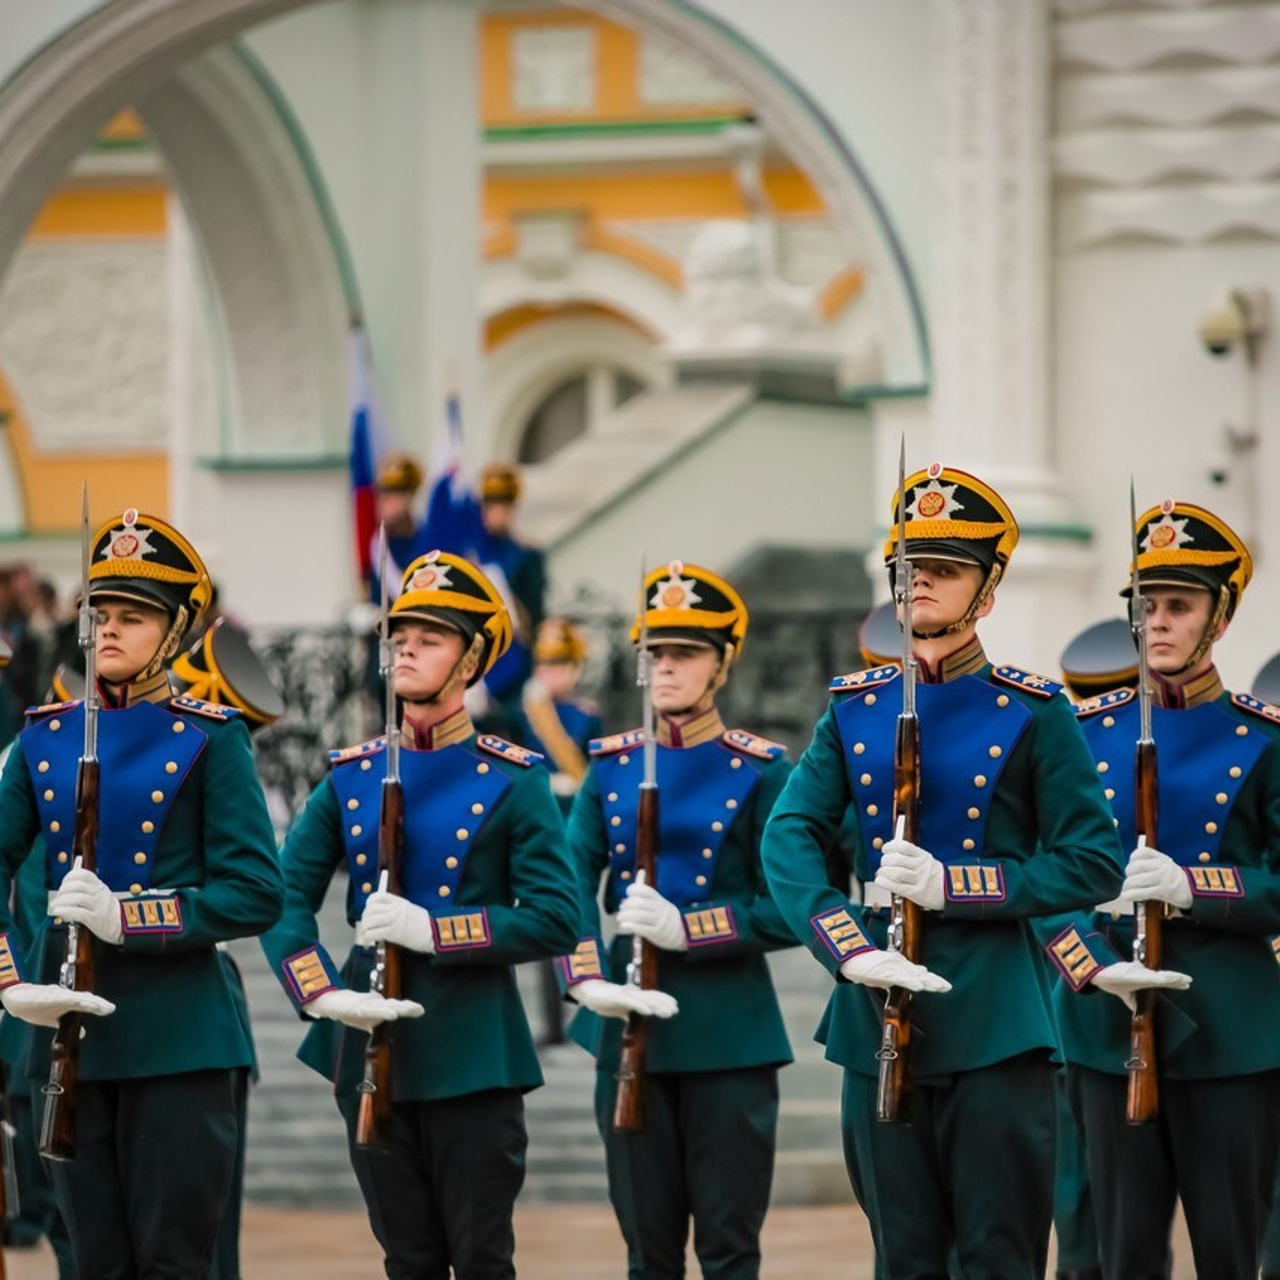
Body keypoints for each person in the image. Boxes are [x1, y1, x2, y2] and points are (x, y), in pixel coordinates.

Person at [761, 463, 1124, 1280]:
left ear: (987, 594)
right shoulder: (853, 708)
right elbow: (788, 836)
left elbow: (1092, 860)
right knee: (904, 1259)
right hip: (873, 1017)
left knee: (998, 1258)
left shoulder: (1034, 712)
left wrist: (957, 886)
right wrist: (847, 947)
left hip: (994, 1024)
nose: (918, 583)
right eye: (908, 568)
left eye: (944, 570)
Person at [261, 548, 579, 1279]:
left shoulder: (512, 779)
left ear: (469, 663)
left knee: (481, 1260)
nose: (405, 650)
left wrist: (435, 931)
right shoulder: (353, 773)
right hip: (372, 1056)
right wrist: (320, 991)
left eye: (429, 639)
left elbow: (557, 917)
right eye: (400, 637)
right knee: (406, 1260)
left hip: (472, 1054)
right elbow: (283, 897)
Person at [0, 507, 284, 1277]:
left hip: (177, 1044)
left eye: (134, 616)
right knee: (92, 1262)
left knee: (173, 1263)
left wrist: (133, 917)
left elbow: (256, 890)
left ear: (177, 629)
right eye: (101, 613)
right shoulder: (43, 737)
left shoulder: (210, 736)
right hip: (67, 1042)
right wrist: (10, 978)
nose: (110, 630)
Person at [1048, 499, 1280, 1280]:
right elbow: (1042, 881)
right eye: (1144, 606)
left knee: (1231, 1251)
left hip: (1229, 1028)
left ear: (1220, 617)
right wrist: (1088, 962)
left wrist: (1197, 887)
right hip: (1106, 1022)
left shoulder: (1265, 738)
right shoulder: (1080, 734)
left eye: (1178, 606)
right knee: (1119, 1255)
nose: (1156, 623)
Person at [561, 559, 796, 1280]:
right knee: (648, 1254)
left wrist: (691, 929)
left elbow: (790, 903)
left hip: (728, 1036)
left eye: (686, 652)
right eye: (656, 653)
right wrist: (587, 976)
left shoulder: (763, 771)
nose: (665, 667)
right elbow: (566, 880)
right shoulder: (608, 768)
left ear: (722, 664)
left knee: (729, 1250)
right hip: (630, 1031)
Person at [517, 617, 602, 807]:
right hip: (533, 802)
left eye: (559, 664)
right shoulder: (521, 712)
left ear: (576, 668)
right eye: (544, 664)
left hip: (574, 805)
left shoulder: (588, 715)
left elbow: (595, 771)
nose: (548, 672)